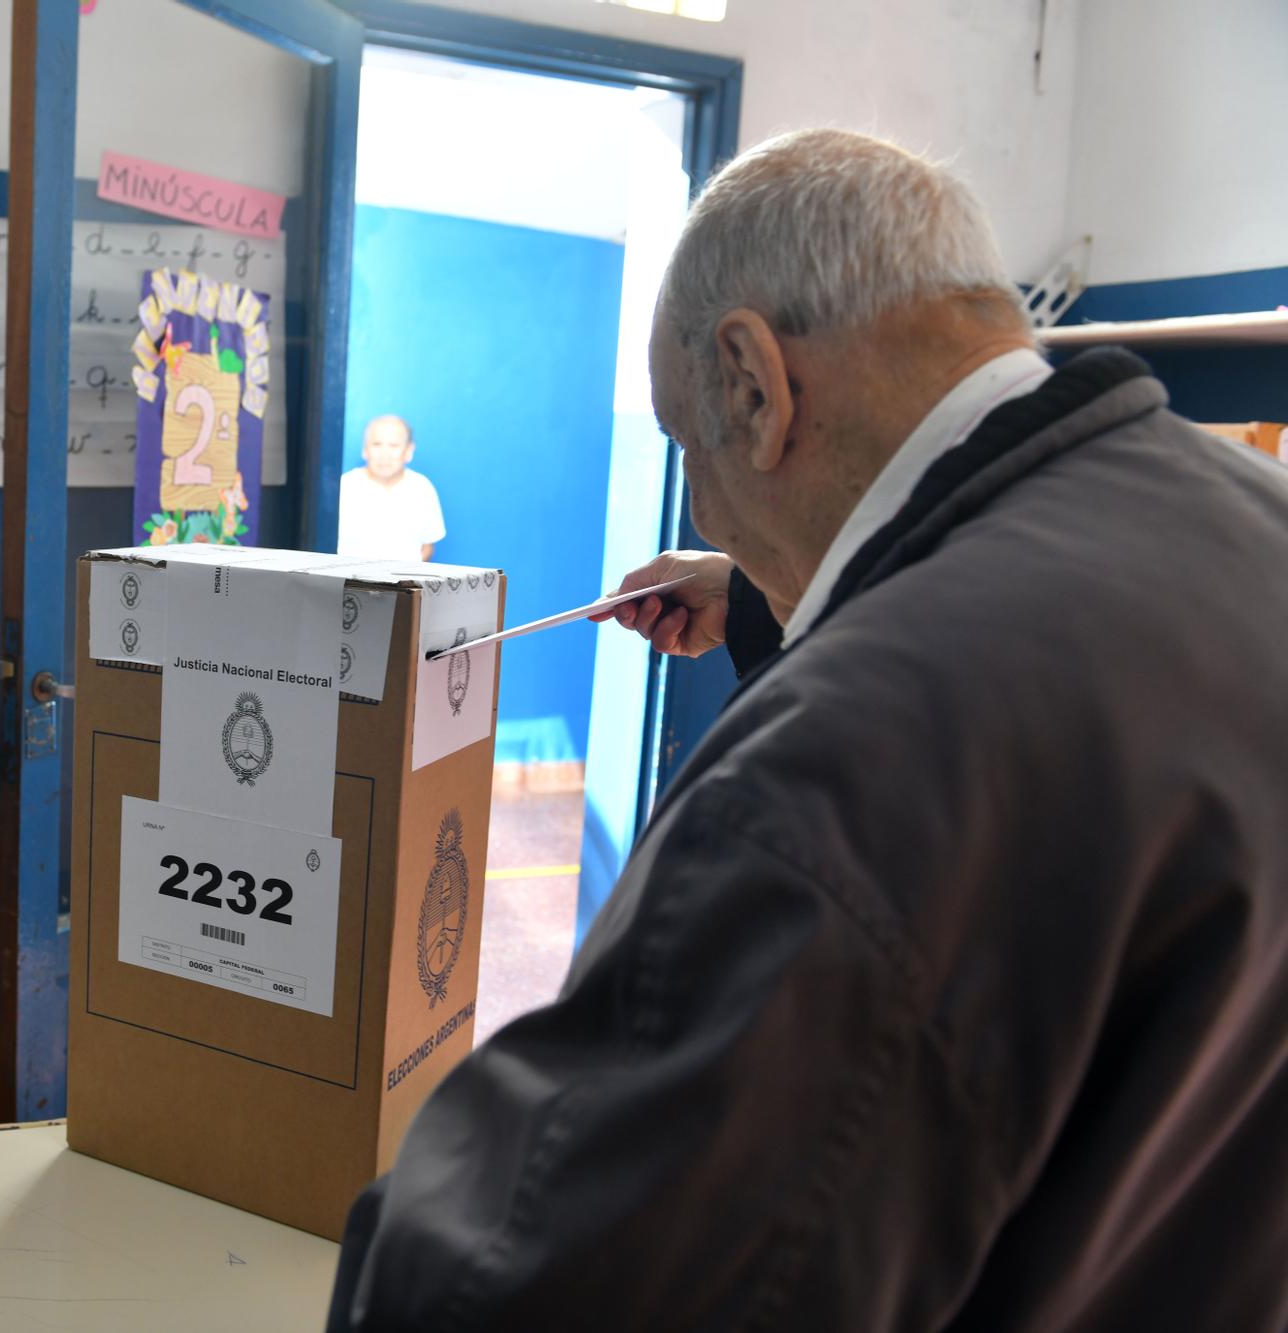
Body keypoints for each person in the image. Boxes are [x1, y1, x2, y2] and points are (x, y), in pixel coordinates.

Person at [328, 129, 1288, 1330]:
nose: (699, 493)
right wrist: (766, 592)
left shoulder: (837, 776)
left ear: (751, 381)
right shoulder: (1249, 524)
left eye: (688, 445)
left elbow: (513, 1288)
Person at [337, 414, 446, 561]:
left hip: (403, 582)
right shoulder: (344, 486)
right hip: (347, 581)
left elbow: (427, 547)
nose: (384, 454)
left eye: (394, 446)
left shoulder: (422, 488)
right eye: (377, 444)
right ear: (365, 449)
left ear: (408, 451)